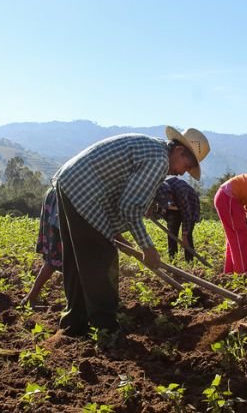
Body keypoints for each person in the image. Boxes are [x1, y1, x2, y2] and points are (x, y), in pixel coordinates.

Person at [52, 126, 210, 337]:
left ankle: (73, 325)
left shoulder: (152, 148)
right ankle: (106, 329)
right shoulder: (159, 160)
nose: (182, 173)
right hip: (85, 191)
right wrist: (147, 247)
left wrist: (115, 233)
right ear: (180, 151)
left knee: (77, 260)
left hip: (71, 181)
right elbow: (130, 207)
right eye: (186, 165)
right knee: (103, 259)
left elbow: (121, 196)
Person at [21, 186, 62, 307]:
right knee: (56, 254)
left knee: (57, 254)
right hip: (61, 198)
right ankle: (30, 297)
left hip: (58, 194)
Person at [153, 177, 201, 262]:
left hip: (189, 205)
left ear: (170, 195)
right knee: (172, 232)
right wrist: (150, 211)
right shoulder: (159, 188)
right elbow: (154, 201)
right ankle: (173, 259)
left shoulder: (180, 192)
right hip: (175, 206)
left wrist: (184, 236)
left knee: (188, 235)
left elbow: (187, 215)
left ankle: (189, 261)